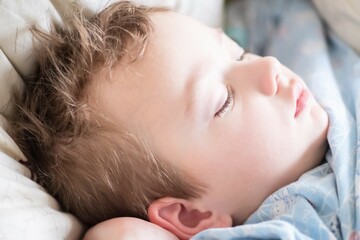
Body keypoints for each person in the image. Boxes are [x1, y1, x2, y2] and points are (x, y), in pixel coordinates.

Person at [12, 1, 329, 239]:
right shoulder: (287, 227)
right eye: (223, 102)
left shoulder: (301, 40)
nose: (269, 66)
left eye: (240, 54)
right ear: (190, 215)